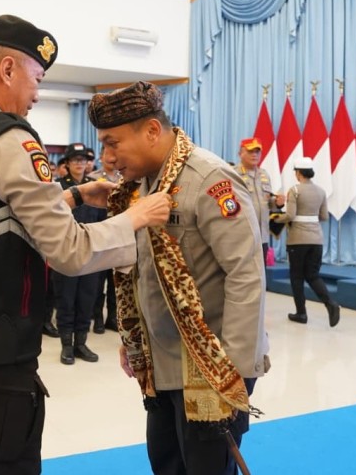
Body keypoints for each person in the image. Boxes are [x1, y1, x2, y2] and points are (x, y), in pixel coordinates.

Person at [0, 14, 171, 475]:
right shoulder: (9, 138)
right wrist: (134, 218)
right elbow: (68, 251)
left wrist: (75, 194)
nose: (37, 93)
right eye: (36, 78)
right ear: (7, 69)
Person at [89, 81, 269, 475]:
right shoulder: (144, 184)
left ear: (152, 130)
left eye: (113, 143)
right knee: (167, 464)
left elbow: (246, 275)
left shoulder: (210, 179)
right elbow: (145, 273)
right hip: (163, 361)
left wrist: (232, 372)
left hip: (210, 367)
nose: (108, 157)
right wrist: (133, 340)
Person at [52, 143, 106, 365]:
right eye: (75, 160)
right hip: (65, 251)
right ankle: (66, 345)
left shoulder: (95, 186)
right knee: (66, 299)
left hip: (91, 251)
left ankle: (81, 342)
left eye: (83, 160)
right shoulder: (57, 188)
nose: (80, 164)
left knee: (87, 298)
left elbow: (103, 218)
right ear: (66, 163)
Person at [272, 157, 340, 327]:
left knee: (296, 277)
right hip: (316, 239)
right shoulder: (321, 191)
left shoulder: (295, 190)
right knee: (313, 275)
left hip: (298, 240)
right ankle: (331, 304)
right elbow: (323, 216)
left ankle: (301, 313)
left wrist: (273, 219)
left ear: (298, 173)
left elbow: (290, 215)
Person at [236, 137, 284, 267]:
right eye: (251, 151)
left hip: (262, 235)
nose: (255, 155)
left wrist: (277, 203)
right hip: (242, 235)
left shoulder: (264, 175)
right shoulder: (233, 174)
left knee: (260, 273)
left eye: (257, 152)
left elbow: (268, 203)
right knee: (243, 272)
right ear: (240, 153)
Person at [89, 145, 121, 333]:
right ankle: (98, 317)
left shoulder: (125, 178)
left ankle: (112, 317)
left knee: (115, 281)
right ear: (100, 157)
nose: (111, 158)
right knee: (97, 280)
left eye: (114, 154)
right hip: (100, 235)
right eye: (107, 154)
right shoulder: (92, 178)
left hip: (118, 236)